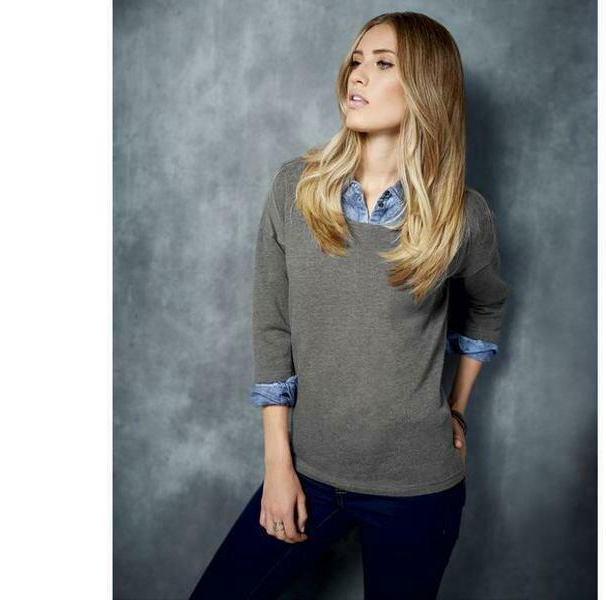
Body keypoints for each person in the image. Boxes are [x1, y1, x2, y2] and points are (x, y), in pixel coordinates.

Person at [189, 11, 508, 600]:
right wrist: (278, 466)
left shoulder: (462, 217)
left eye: (383, 64)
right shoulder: (296, 189)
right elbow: (272, 328)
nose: (357, 75)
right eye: (357, 61)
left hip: (418, 490)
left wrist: (457, 409)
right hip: (307, 471)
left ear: (425, 88)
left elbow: (487, 307)